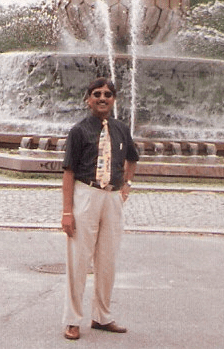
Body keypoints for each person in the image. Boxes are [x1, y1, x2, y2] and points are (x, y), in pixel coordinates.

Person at [61, 78, 139, 341]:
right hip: (87, 194)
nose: (102, 98)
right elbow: (68, 172)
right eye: (97, 94)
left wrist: (127, 184)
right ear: (88, 99)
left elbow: (133, 158)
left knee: (107, 261)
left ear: (114, 100)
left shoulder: (121, 129)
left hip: (113, 197)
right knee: (78, 260)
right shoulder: (78, 131)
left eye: (107, 94)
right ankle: (72, 320)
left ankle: (102, 316)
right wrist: (67, 212)